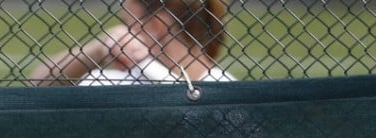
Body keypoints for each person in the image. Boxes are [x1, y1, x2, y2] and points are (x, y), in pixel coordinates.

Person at [30, 0, 235, 87]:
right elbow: (38, 83)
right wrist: (100, 47)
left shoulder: (111, 85)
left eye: (129, 25)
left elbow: (37, 85)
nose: (124, 34)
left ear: (157, 26)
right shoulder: (231, 88)